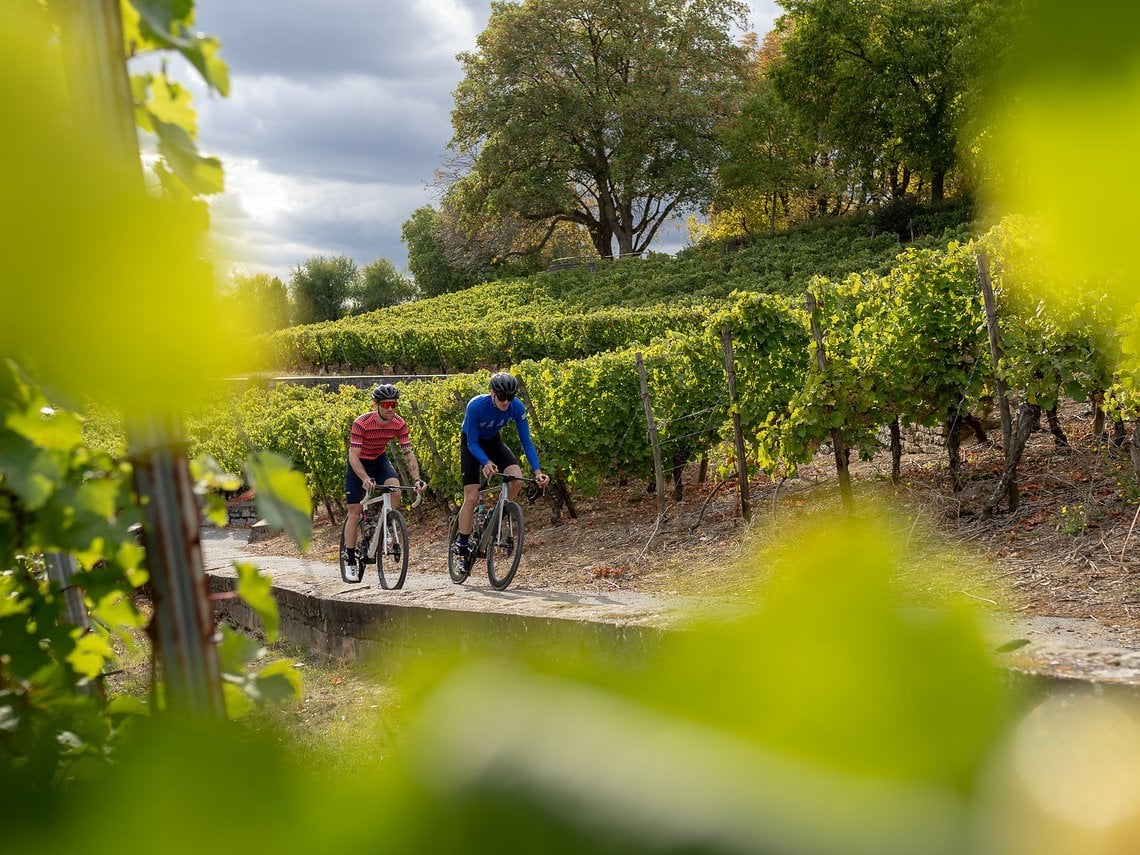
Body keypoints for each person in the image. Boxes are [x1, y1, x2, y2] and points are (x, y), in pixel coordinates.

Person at [454, 371, 550, 570]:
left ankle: (499, 512)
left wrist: (537, 471)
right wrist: (486, 462)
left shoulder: (517, 407)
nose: (506, 402)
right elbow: (472, 442)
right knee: (471, 497)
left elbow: (526, 441)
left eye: (510, 397)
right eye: (502, 397)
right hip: (472, 445)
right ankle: (462, 547)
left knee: (517, 477)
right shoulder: (476, 406)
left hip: (493, 442)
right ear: (492, 393)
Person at [343, 383, 426, 582]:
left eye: (394, 405)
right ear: (376, 405)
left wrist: (417, 480)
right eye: (386, 404)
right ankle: (351, 560)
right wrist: (364, 478)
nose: (390, 409)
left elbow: (407, 452)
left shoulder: (399, 423)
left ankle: (384, 522)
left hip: (379, 460)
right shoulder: (361, 423)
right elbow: (353, 456)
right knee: (354, 511)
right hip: (359, 462)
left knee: (395, 488)